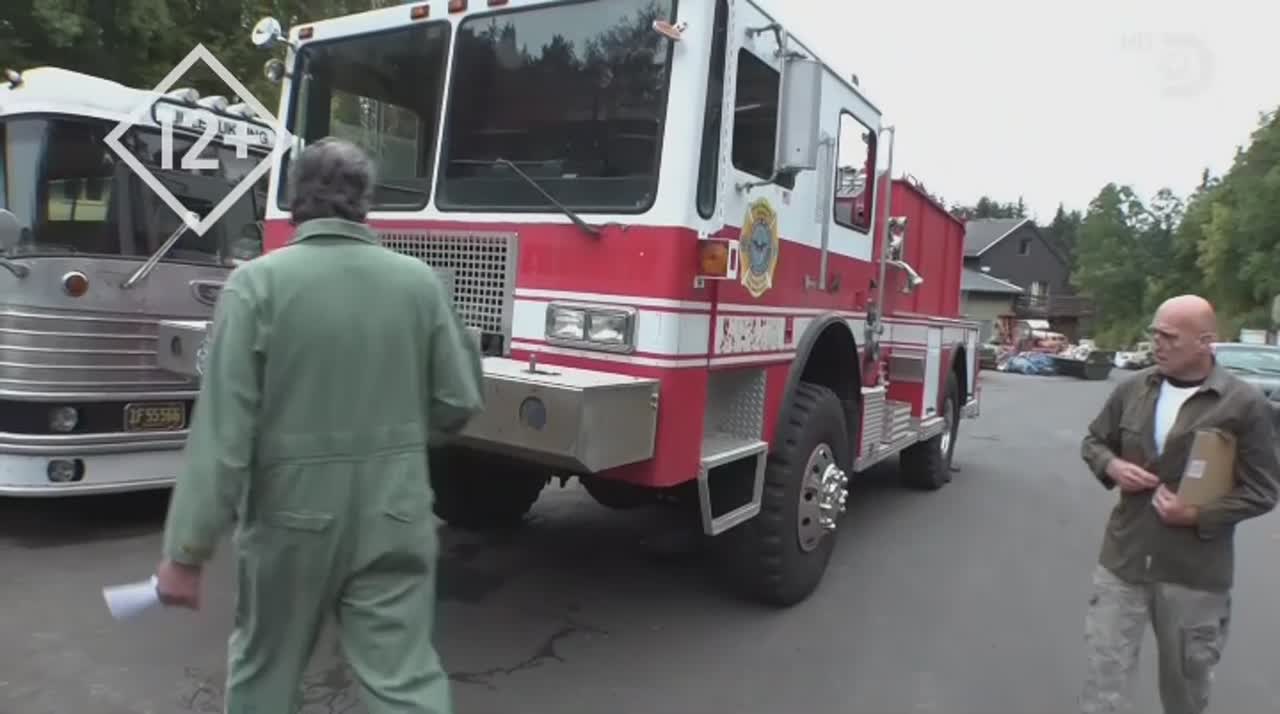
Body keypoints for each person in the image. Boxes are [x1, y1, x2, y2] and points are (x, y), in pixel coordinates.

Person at [154, 137, 485, 713]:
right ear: (366, 201)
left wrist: (187, 552)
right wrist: (405, 441)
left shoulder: (257, 285)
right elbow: (458, 399)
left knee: (265, 669)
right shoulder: (419, 283)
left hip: (290, 520)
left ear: (294, 200)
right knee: (403, 681)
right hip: (396, 510)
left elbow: (223, 438)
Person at [1078, 294, 1280, 714]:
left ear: (1205, 341)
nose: (1158, 343)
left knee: (1185, 691)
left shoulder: (1244, 405)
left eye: (1169, 336)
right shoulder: (1134, 388)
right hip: (1124, 562)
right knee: (1103, 684)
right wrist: (1113, 465)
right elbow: (1094, 441)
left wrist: (1196, 515)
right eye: (1155, 334)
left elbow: (1263, 490)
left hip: (1193, 573)